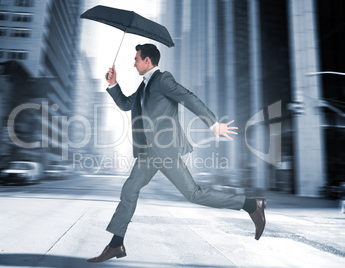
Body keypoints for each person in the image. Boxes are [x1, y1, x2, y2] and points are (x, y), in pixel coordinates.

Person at [86, 44, 266, 263]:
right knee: (129, 189)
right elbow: (126, 104)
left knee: (194, 194)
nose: (133, 63)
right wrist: (113, 84)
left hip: (165, 150)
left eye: (136, 59)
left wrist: (213, 123)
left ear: (148, 61)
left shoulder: (163, 80)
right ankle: (116, 245)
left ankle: (251, 205)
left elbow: (188, 97)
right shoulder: (143, 87)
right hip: (147, 153)